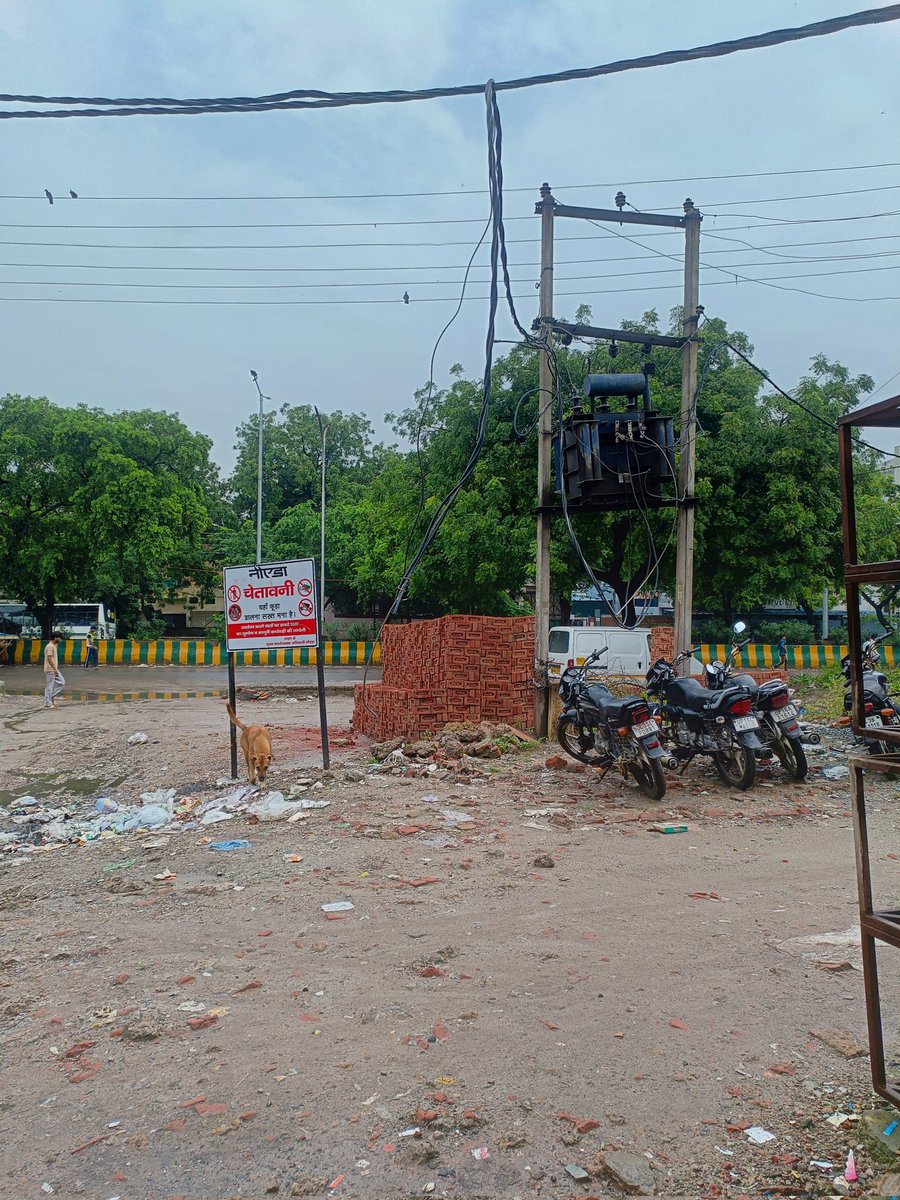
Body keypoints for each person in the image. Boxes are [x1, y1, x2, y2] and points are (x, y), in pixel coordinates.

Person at [43, 631, 65, 708]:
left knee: (62, 683)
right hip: (50, 669)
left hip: (53, 669)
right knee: (50, 686)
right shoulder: (50, 646)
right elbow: (49, 658)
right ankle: (48, 703)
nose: (60, 640)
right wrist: (54, 669)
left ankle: (51, 697)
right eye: (59, 638)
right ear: (55, 638)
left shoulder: (53, 646)